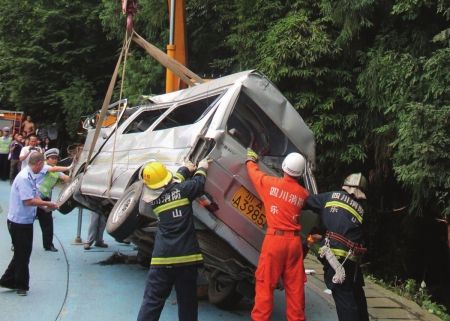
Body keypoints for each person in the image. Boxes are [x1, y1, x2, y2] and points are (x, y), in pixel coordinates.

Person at [137, 159, 208, 321]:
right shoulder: (183, 190)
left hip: (162, 260)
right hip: (187, 259)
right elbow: (198, 183)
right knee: (188, 303)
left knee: (152, 301)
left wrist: (184, 170)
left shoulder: (152, 201)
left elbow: (170, 187)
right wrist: (201, 168)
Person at [246, 149, 309, 321]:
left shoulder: (270, 184)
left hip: (275, 241)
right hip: (294, 243)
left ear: (284, 167)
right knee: (295, 288)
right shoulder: (303, 194)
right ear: (300, 174)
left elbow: (254, 173)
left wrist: (251, 159)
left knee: (265, 284)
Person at [305, 173, 369, 321]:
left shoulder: (330, 196)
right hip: (352, 260)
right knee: (356, 292)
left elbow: (306, 202)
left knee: (344, 299)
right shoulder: (362, 210)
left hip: (334, 257)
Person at [0, 152, 59, 296]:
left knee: (22, 252)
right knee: (23, 254)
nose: (43, 168)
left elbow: (35, 194)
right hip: (19, 222)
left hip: (24, 221)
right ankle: (21, 285)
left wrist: (44, 207)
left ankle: (7, 280)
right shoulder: (24, 178)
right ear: (38, 163)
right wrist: (48, 203)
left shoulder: (30, 175)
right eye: (43, 165)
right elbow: (28, 201)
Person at [36, 148, 70, 252]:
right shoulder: (44, 166)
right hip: (34, 197)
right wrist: (69, 167)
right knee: (25, 223)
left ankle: (48, 245)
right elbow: (53, 170)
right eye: (52, 158)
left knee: (48, 223)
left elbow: (67, 179)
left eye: (56, 158)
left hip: (46, 198)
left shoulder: (57, 170)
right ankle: (16, 243)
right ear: (47, 159)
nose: (54, 160)